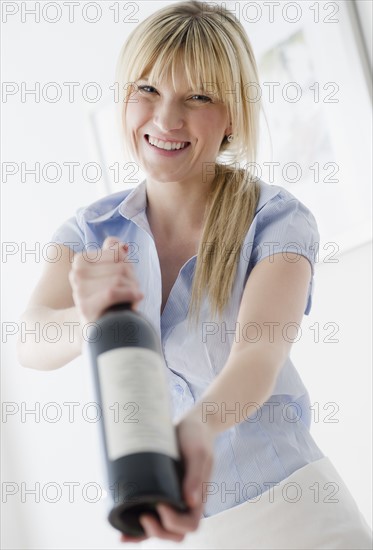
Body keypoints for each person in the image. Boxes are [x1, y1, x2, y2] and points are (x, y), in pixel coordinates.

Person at [17, 1, 372, 548]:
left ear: (232, 115)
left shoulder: (275, 219)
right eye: (149, 89)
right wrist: (88, 316)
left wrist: (197, 429)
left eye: (198, 96)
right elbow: (31, 341)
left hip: (296, 514)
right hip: (182, 530)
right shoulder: (89, 231)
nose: (165, 119)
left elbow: (259, 354)